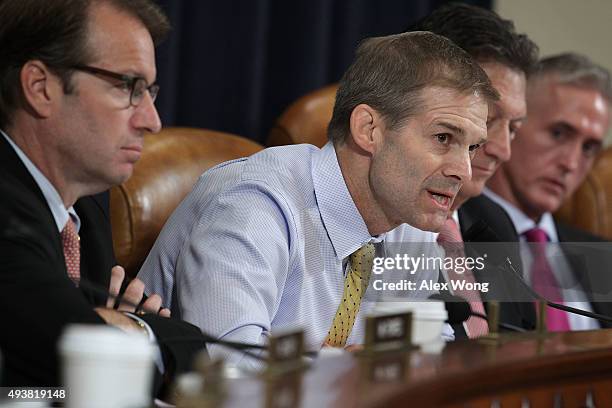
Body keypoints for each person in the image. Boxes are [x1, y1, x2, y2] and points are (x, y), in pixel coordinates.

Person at [138, 31, 497, 367]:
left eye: (472, 147)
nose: (464, 171)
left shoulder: (410, 223)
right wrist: (347, 371)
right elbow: (230, 375)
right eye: (443, 138)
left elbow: (432, 356)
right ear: (368, 130)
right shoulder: (254, 206)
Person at [0, 0, 205, 391]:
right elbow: (70, 368)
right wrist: (141, 332)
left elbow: (191, 350)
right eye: (128, 86)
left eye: (150, 91)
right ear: (41, 87)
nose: (152, 121)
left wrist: (128, 328)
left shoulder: (86, 207)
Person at [410, 3, 539, 338]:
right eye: (487, 118)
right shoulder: (374, 224)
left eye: (513, 128)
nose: (502, 149)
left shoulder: (494, 225)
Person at [479, 53, 612, 331]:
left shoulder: (604, 257)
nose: (571, 163)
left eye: (589, 148)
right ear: (512, 125)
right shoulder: (452, 237)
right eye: (559, 133)